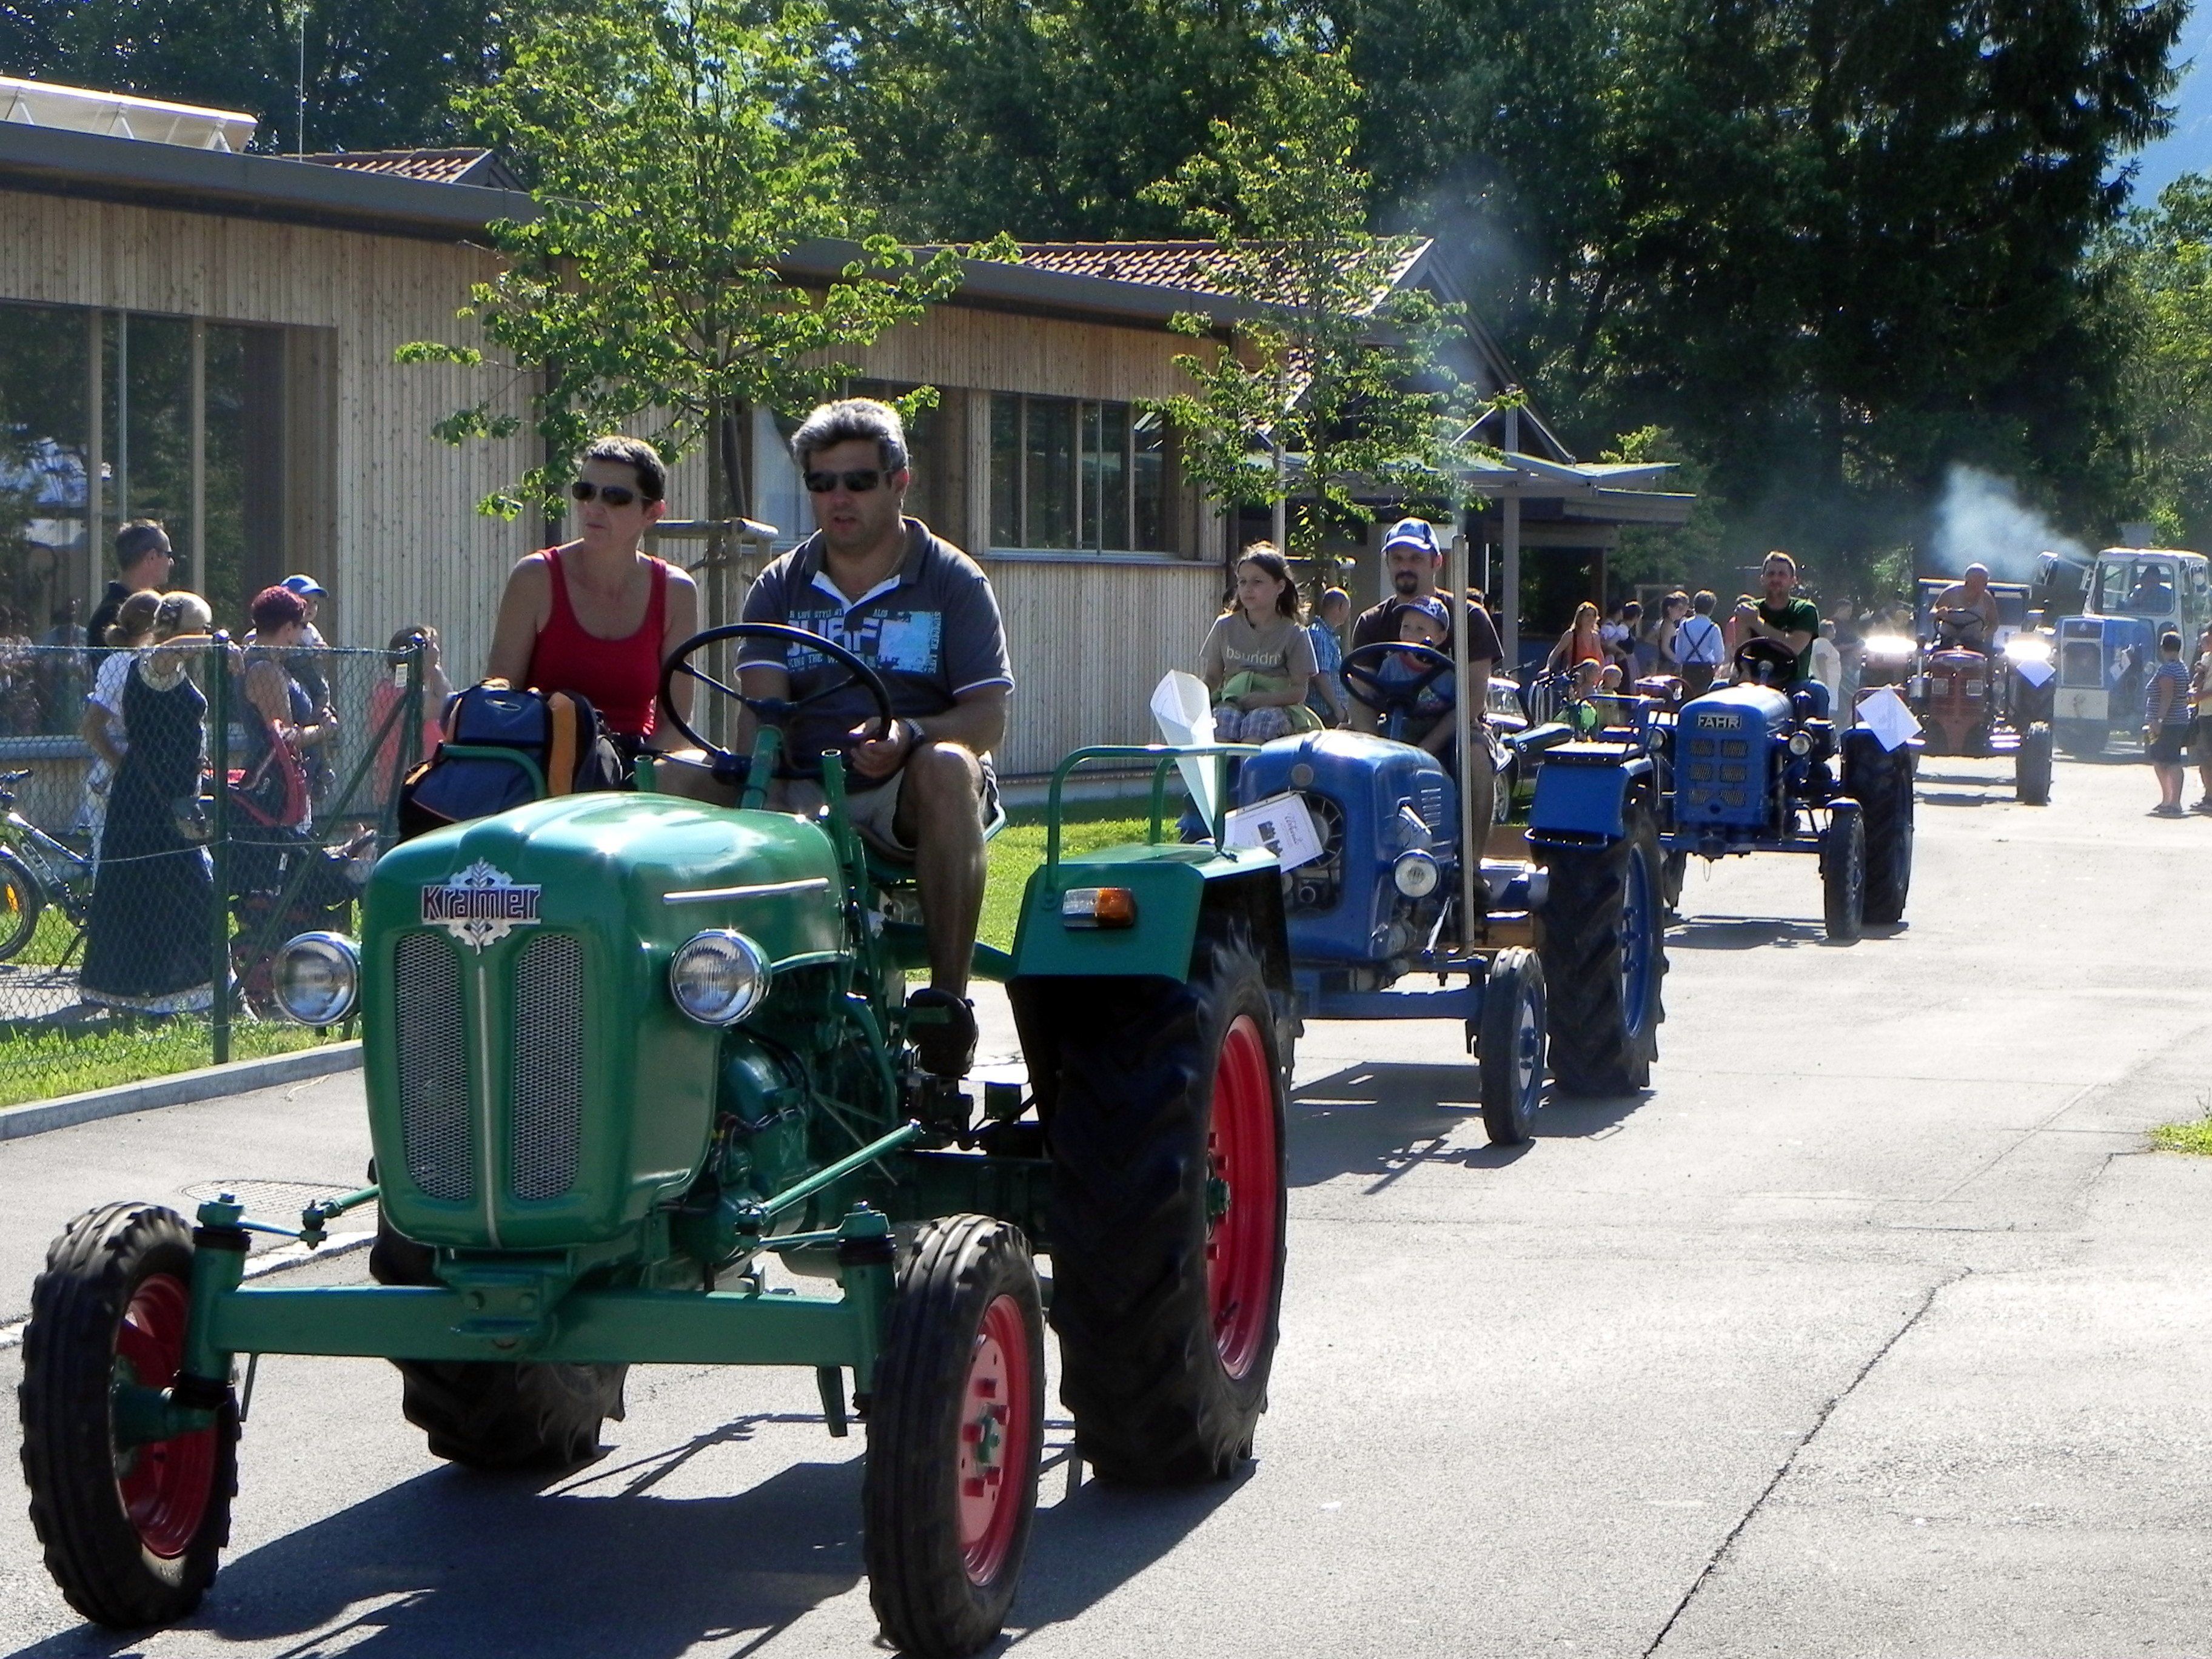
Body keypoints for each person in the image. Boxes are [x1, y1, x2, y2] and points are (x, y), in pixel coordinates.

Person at [736, 397, 1011, 1078]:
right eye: (821, 482)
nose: (838, 498)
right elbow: (761, 714)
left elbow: (987, 720)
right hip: (803, 784)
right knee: (668, 773)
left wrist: (908, 733)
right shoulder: (780, 585)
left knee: (949, 765)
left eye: (858, 481)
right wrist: (772, 787)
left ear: (899, 482)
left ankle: (946, 1004)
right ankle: (701, 992)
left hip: (906, 790)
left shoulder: (952, 580)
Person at [486, 435, 702, 761]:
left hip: (639, 762)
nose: (594, 507)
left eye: (615, 497)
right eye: (585, 491)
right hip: (547, 757)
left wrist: (634, 778)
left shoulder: (676, 591)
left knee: (713, 769)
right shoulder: (536, 577)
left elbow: (676, 724)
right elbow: (500, 699)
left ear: (653, 512)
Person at [78, 592, 218, 1014]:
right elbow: (167, 653)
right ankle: (199, 993)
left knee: (161, 894)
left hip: (162, 800)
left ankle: (172, 994)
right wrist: (223, 644)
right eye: (204, 629)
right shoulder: (153, 665)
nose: (209, 637)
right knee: (186, 893)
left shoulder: (169, 669)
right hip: (151, 806)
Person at [1347, 518, 1503, 833]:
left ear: (1436, 562)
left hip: (1456, 727)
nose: (1405, 566)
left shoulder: (1470, 617)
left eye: (1416, 558)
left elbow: (1473, 699)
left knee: (1475, 757)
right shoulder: (1371, 622)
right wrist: (1376, 749)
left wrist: (1425, 748)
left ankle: (1471, 860)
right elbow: (1361, 695)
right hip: (1392, 726)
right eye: (1397, 558)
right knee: (1339, 758)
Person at [236, 586, 337, 837]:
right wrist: (324, 730)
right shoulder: (264, 670)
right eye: (302, 626)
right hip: (275, 788)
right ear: (289, 628)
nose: (304, 633)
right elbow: (286, 740)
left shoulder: (274, 663)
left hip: (290, 782)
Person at [76, 590, 163, 859]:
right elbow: (91, 728)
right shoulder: (122, 663)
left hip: (146, 771)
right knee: (110, 857)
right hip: (114, 776)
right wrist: (124, 767)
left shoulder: (154, 661)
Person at [1200, 545, 1317, 743]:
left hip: (1277, 707)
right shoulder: (1224, 626)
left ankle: (1251, 763)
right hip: (1232, 702)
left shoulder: (1294, 633)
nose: (1248, 589)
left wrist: (1265, 700)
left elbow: (1300, 690)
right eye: (1243, 582)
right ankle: (1220, 764)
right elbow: (1212, 677)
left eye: (1257, 582)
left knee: (1259, 722)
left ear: (1280, 587)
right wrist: (1192, 699)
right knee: (1222, 721)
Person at [369, 624, 455, 805]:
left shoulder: (416, 691)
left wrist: (432, 666)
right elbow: (447, 706)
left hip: (427, 785)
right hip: (402, 790)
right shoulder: (390, 691)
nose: (435, 654)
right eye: (427, 650)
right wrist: (434, 667)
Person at [1371, 598, 1458, 758]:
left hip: (1433, 735)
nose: (1410, 635)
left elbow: (1457, 710)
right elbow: (1376, 700)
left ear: (1440, 637)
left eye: (1420, 629)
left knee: (1454, 750)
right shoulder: (1392, 665)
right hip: (1396, 729)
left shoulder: (1447, 674)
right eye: (1406, 627)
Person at [1734, 552, 1820, 683]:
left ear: (1793, 581)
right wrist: (1742, 671)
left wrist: (1757, 623)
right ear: (1762, 579)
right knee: (1717, 687)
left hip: (1794, 683)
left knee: (1819, 690)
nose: (1775, 579)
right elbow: (1741, 653)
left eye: (1782, 574)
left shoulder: (1805, 610)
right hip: (1753, 682)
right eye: (1771, 574)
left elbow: (1793, 647)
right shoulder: (1748, 610)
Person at [86, 520, 174, 645]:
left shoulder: (108, 612)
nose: (171, 562)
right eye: (168, 555)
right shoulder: (110, 615)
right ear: (152, 557)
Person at [2145, 629, 2193, 817]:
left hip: (2169, 723)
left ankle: (2174, 802)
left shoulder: (2168, 670)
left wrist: (2159, 720)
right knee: (2159, 759)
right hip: (2176, 721)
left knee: (2171, 761)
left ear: (2163, 648)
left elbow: (2167, 696)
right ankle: (2167, 799)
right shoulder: (2181, 667)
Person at [1306, 586, 1351, 725]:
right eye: (1347, 608)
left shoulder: (1329, 636)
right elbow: (1320, 676)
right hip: (1325, 713)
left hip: (1332, 712)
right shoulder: (1319, 635)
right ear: (1340, 607)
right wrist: (1338, 709)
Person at [1931, 563, 2000, 652]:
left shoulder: (1987, 599)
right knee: (1933, 655)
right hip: (1947, 639)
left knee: (1989, 656)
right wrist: (1939, 613)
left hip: (1974, 642)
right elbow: (1933, 612)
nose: (1979, 585)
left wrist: (1983, 634)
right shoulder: (1952, 592)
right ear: (1967, 580)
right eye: (1975, 581)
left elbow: (1994, 623)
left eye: (1983, 582)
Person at [1672, 591, 1726, 695]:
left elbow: (1678, 651)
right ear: (1711, 609)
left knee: (1688, 697)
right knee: (1704, 698)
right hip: (1705, 669)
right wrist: (1717, 667)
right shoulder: (1713, 628)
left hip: (1688, 669)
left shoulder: (1684, 625)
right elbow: (1719, 656)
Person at [1546, 601, 1603, 673]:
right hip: (1575, 676)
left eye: (1593, 616)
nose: (1591, 618)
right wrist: (1548, 668)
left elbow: (1601, 658)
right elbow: (1555, 653)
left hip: (1593, 676)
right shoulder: (1571, 635)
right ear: (1580, 617)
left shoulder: (1596, 636)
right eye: (1588, 615)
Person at [2191, 625, 2212, 814]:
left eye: (2207, 637)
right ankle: (2208, 795)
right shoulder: (2206, 658)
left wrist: (2200, 696)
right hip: (2204, 713)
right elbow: (2199, 680)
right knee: (2204, 757)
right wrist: (2197, 678)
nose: (2204, 641)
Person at [1811, 619, 1844, 709]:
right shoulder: (1823, 642)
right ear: (1828, 631)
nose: (1835, 631)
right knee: (1829, 709)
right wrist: (1825, 681)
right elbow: (1821, 660)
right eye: (1833, 629)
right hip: (1828, 683)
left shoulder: (1819, 642)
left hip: (1830, 683)